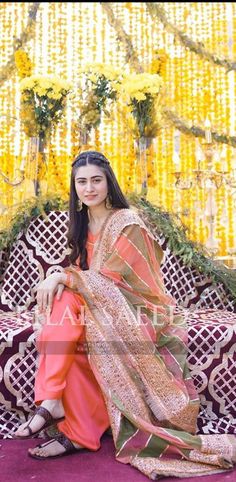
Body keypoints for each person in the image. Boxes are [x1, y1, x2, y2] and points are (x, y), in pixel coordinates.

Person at [13, 150, 236, 478]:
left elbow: (111, 279)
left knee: (66, 311)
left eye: (96, 180)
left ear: (108, 183)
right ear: (74, 187)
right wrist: (63, 278)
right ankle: (70, 422)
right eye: (81, 182)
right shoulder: (82, 222)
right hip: (98, 304)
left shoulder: (127, 222)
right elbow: (83, 273)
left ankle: (57, 409)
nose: (89, 188)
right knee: (68, 320)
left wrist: (60, 277)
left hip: (134, 309)